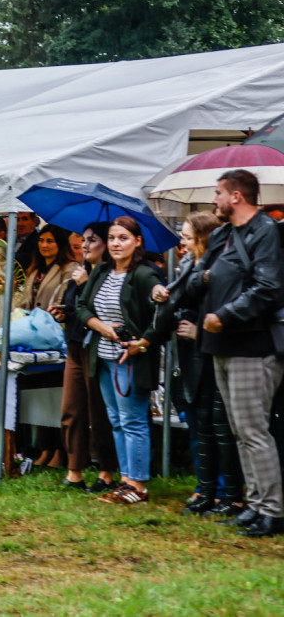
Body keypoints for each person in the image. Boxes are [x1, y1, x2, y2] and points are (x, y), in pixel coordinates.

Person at [185, 170, 284, 537]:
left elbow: (269, 288)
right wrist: (207, 279)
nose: (214, 201)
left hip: (251, 345)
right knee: (241, 431)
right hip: (221, 345)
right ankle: (255, 505)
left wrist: (225, 316)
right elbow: (198, 277)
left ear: (237, 196)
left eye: (218, 194)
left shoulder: (265, 231)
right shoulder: (224, 234)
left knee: (254, 430)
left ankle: (272, 511)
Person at [153, 211, 245, 517]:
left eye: (187, 236)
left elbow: (223, 311)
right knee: (201, 425)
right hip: (192, 357)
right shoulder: (186, 265)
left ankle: (229, 495)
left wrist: (199, 332)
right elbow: (176, 306)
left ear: (203, 239)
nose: (181, 241)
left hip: (215, 353)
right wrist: (162, 296)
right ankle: (206, 491)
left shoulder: (222, 268)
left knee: (220, 428)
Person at [77, 216, 162, 505]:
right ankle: (126, 480)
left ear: (138, 241)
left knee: (133, 421)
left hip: (130, 358)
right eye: (112, 237)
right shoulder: (101, 270)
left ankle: (137, 486)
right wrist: (101, 327)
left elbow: (163, 315)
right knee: (115, 420)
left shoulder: (144, 274)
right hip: (102, 356)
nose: (115, 243)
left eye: (123, 238)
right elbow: (82, 306)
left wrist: (144, 342)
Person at [54, 223, 118, 493]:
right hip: (74, 345)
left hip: (98, 347)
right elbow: (75, 308)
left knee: (98, 411)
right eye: (83, 239)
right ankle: (74, 470)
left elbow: (101, 311)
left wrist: (85, 285)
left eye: (92, 240)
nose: (85, 245)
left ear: (105, 245)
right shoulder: (79, 273)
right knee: (71, 410)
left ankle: (106, 471)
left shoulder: (110, 275)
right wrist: (62, 312)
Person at [22, 224, 77, 312]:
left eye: (49, 241)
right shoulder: (34, 268)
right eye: (41, 240)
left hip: (51, 321)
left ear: (60, 244)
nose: (44, 245)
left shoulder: (70, 268)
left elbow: (62, 302)